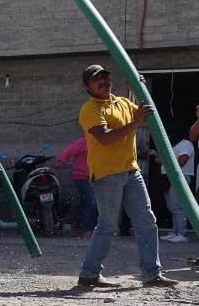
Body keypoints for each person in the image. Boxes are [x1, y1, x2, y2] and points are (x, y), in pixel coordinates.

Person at [75, 64, 177, 287]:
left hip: (131, 171)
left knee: (147, 221)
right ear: (87, 86)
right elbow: (104, 137)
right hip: (107, 174)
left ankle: (152, 274)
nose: (103, 82)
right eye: (97, 79)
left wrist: (138, 89)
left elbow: (145, 117)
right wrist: (135, 123)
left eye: (105, 77)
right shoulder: (90, 109)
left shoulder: (122, 102)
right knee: (108, 225)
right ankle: (89, 274)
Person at [53, 135, 96, 237]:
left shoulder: (100, 142)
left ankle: (80, 229)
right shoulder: (83, 141)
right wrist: (58, 164)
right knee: (90, 203)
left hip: (94, 178)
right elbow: (68, 151)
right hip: (82, 177)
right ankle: (86, 229)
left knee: (85, 203)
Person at [158, 137, 195, 243]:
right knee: (172, 206)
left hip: (180, 177)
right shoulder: (175, 144)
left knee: (178, 206)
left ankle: (182, 234)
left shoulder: (185, 143)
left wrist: (165, 161)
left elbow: (182, 161)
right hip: (170, 177)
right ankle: (176, 232)